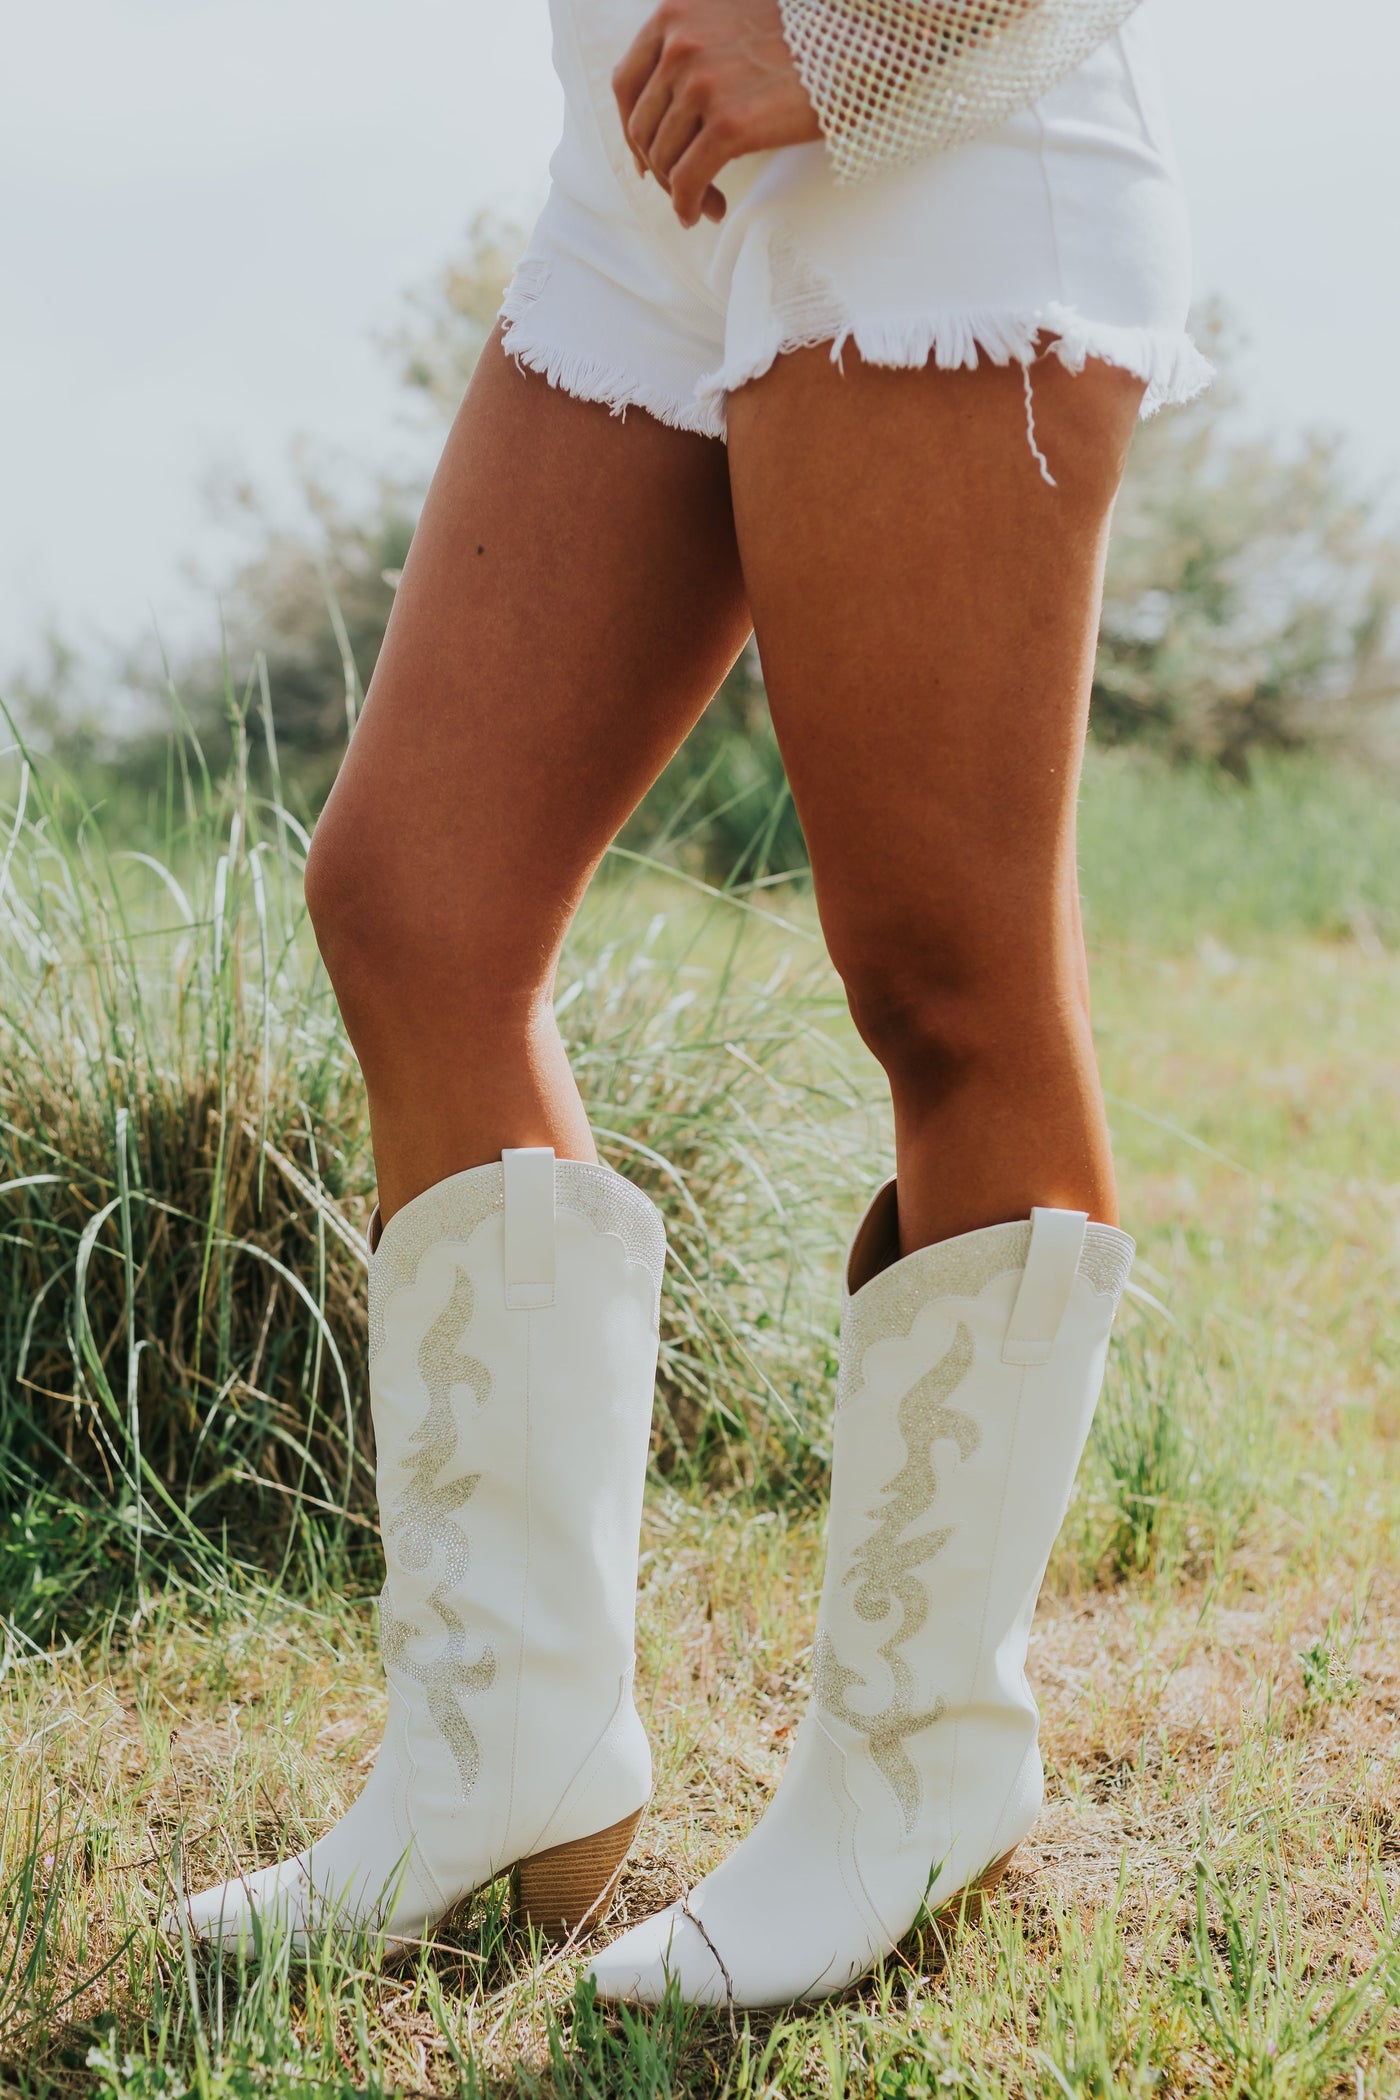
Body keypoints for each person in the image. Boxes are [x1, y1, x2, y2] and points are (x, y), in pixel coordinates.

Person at [169, 0, 1208, 2010]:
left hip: (932, 147)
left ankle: (922, 1767)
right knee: (414, 906)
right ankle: (504, 1748)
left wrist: (863, 34)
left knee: (938, 976)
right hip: (644, 170)